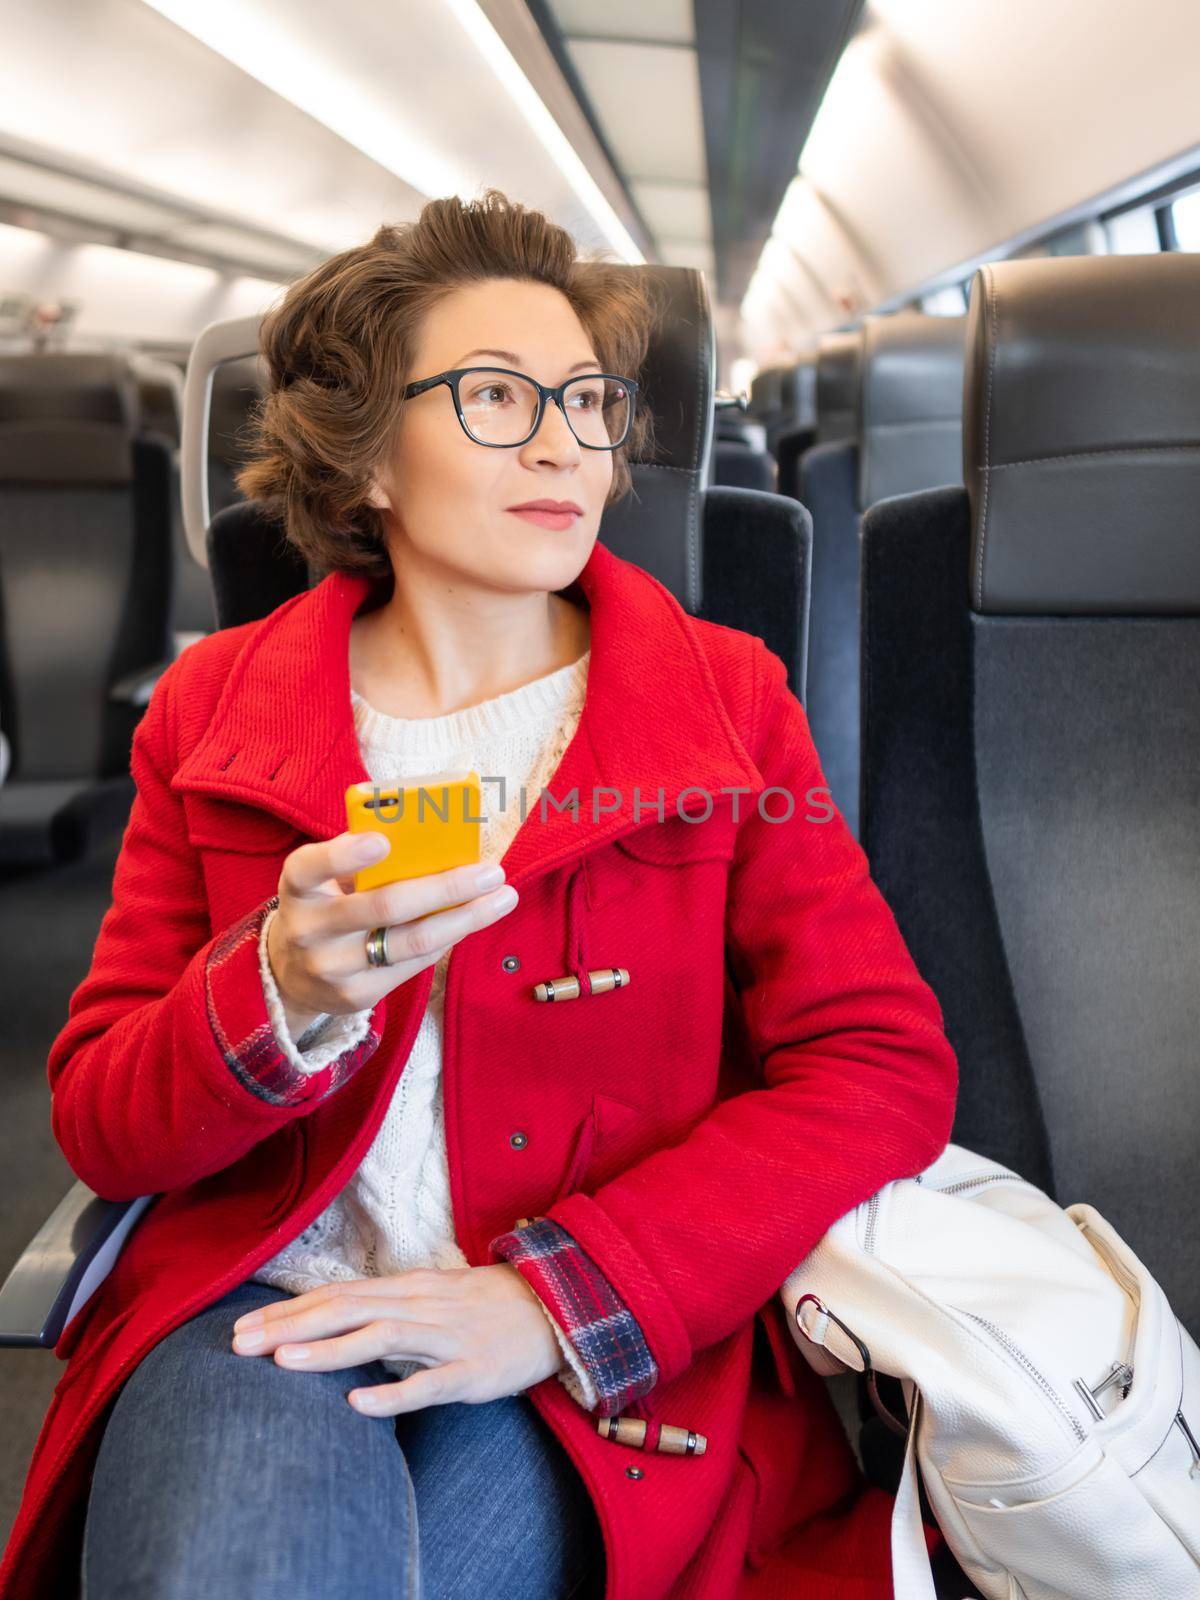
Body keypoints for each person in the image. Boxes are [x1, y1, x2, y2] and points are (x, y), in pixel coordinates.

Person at [1, 190, 960, 1600]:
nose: (569, 441)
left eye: (588, 398)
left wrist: (561, 1298)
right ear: (370, 455)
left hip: (592, 1343)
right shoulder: (212, 710)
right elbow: (103, 1119)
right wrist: (276, 994)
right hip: (270, 1296)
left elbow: (880, 1065)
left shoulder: (726, 701)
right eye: (500, 397)